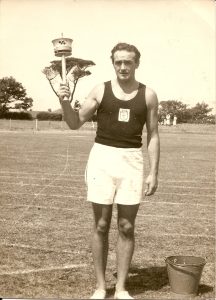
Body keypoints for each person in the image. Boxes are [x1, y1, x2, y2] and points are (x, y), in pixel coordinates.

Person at [57, 42, 160, 299]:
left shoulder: (148, 95)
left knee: (126, 226)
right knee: (101, 224)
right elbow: (73, 123)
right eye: (118, 62)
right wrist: (65, 102)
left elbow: (154, 136)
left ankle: (122, 288)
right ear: (112, 63)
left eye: (128, 62)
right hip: (102, 159)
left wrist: (153, 172)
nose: (123, 66)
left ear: (137, 63)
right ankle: (101, 287)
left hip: (132, 161)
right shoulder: (100, 91)